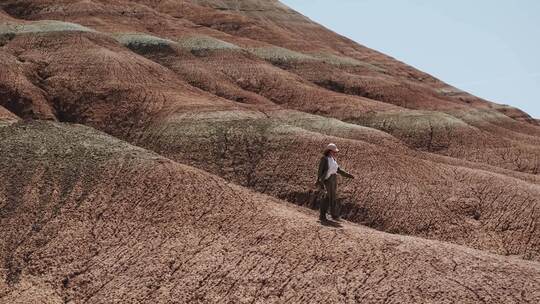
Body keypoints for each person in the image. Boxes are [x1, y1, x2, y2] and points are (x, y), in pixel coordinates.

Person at [315, 143, 355, 222]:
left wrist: (349, 175)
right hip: (327, 179)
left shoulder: (333, 159)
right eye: (334, 151)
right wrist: (319, 181)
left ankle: (332, 215)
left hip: (333, 179)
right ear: (329, 151)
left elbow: (338, 170)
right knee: (328, 197)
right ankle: (324, 215)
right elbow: (320, 171)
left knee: (332, 197)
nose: (335, 153)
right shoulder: (324, 159)